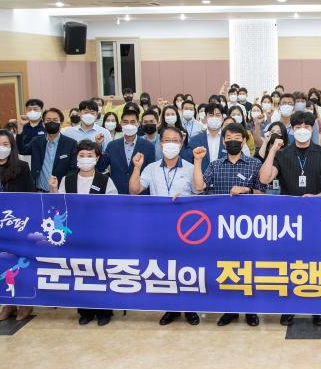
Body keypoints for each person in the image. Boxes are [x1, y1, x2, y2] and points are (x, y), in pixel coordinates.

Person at [260, 110, 321, 327]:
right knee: (290, 262)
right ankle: (289, 306)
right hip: (290, 218)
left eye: (306, 127)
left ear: (312, 129)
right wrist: (272, 150)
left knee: (316, 263)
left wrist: (317, 198)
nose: (302, 130)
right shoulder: (283, 154)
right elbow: (264, 178)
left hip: (317, 216)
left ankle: (318, 307)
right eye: (298, 127)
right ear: (292, 130)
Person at [192, 123, 266, 327]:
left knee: (248, 268)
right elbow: (199, 187)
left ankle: (250, 310)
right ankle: (230, 310)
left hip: (248, 226)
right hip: (221, 226)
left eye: (237, 138)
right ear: (224, 142)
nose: (232, 141)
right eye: (229, 138)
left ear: (244, 141)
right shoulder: (215, 165)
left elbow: (262, 192)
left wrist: (246, 190)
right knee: (227, 268)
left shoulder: (254, 164)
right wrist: (197, 161)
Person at [129, 127, 201, 327]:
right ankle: (171, 308)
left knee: (186, 268)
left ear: (181, 144)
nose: (171, 144)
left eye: (175, 140)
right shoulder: (151, 168)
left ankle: (190, 308)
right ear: (161, 144)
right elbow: (134, 190)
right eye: (167, 140)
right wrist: (136, 167)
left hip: (185, 229)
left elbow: (199, 190)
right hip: (159, 226)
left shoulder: (189, 167)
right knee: (167, 268)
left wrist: (185, 197)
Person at [48, 140, 117, 326]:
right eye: (82, 155)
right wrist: (53, 189)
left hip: (99, 235)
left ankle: (104, 311)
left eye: (90, 155)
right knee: (80, 272)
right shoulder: (68, 179)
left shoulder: (105, 180)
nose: (86, 159)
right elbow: (59, 206)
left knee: (100, 272)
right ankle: (85, 310)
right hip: (75, 235)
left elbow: (114, 206)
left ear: (97, 158)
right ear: (76, 157)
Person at [0, 130, 36, 321]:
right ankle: (8, 304)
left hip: (18, 224)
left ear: (12, 147)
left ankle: (25, 304)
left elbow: (30, 196)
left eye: (5, 144)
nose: (0, 148)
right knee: (0, 265)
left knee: (20, 264)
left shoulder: (22, 167)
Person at [97, 108, 156, 195]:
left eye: (132, 122)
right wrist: (98, 146)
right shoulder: (112, 145)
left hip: (140, 194)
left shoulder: (148, 146)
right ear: (121, 123)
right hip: (117, 193)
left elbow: (151, 173)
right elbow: (100, 167)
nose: (129, 125)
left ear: (138, 124)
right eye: (125, 122)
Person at [30, 108, 77, 193]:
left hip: (60, 192)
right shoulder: (36, 141)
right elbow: (22, 150)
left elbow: (73, 169)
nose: (51, 123)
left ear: (61, 123)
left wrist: (62, 186)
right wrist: (22, 128)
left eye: (55, 120)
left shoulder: (71, 143)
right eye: (48, 120)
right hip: (39, 192)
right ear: (43, 124)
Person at [188, 103, 228, 171]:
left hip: (224, 176)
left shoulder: (228, 139)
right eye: (211, 115)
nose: (214, 118)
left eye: (217, 115)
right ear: (205, 118)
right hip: (201, 176)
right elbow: (189, 163)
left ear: (222, 118)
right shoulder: (195, 140)